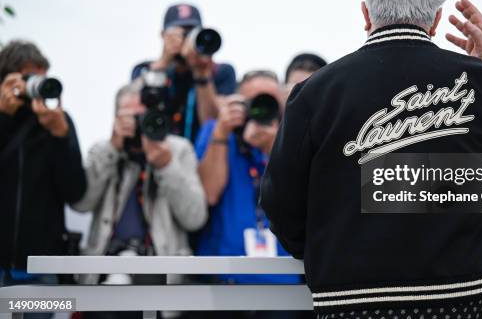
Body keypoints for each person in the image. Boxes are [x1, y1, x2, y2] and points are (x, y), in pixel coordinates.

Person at [261, 0, 482, 319]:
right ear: (435, 19)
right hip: (462, 302)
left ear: (366, 13)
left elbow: (279, 202)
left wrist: (326, 250)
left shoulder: (315, 93)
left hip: (353, 304)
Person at [73, 81, 207, 288]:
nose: (137, 124)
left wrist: (165, 165)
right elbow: (81, 203)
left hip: (162, 282)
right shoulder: (103, 150)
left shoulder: (178, 150)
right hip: (102, 278)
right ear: (116, 118)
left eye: (143, 116)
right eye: (130, 117)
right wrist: (113, 149)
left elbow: (195, 218)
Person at [193, 70, 303, 318]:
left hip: (283, 286)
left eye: (270, 101)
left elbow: (303, 200)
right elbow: (209, 193)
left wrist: (274, 146)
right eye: (254, 101)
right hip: (226, 283)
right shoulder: (217, 132)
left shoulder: (291, 139)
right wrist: (221, 132)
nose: (262, 110)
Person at [0, 41, 87, 294]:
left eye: (41, 78)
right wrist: (3, 118)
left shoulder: (58, 122)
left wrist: (59, 136)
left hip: (40, 271)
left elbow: (75, 193)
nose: (35, 86)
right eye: (28, 78)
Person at [131, 3, 237, 142]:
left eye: (191, 32)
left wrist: (201, 71)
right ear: (163, 35)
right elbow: (131, 107)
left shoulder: (220, 71)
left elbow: (212, 125)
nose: (186, 39)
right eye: (179, 33)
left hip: (204, 157)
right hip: (159, 152)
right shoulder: (144, 70)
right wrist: (164, 61)